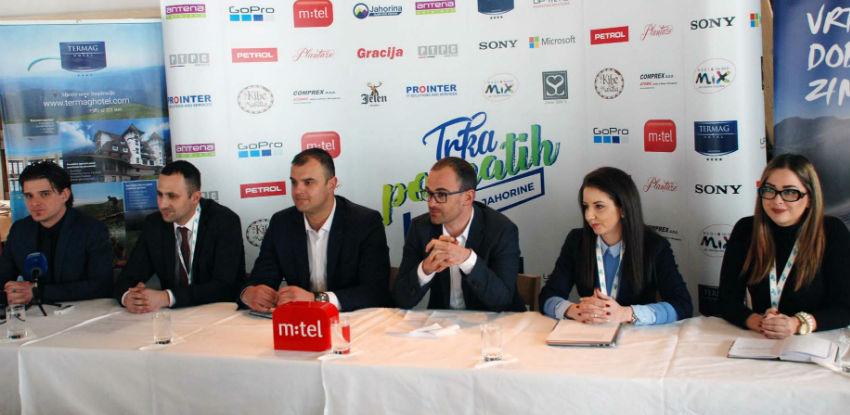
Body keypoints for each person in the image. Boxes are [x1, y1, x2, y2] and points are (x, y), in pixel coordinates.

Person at [241, 148, 390, 312]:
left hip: (351, 319)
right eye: (294, 182)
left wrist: (316, 299)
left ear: (331, 184)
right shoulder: (281, 223)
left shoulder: (364, 222)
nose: (297, 191)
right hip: (301, 321)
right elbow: (262, 278)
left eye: (308, 182)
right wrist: (249, 293)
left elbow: (375, 291)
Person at [718, 153, 850, 338]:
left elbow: (845, 308)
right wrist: (760, 322)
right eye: (769, 190)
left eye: (790, 192)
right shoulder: (746, 229)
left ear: (810, 198)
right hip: (761, 338)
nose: (777, 200)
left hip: (817, 340)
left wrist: (797, 324)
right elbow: (726, 302)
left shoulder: (832, 231)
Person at [539, 167, 692, 324]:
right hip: (591, 332)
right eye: (586, 206)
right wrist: (573, 310)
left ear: (623, 209)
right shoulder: (576, 241)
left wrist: (626, 313)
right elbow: (548, 296)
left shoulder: (655, 246)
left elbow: (682, 305)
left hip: (637, 335)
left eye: (599, 206)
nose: (589, 215)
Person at [393, 157, 524, 311]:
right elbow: (400, 300)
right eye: (429, 193)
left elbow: (503, 300)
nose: (431, 203)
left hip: (495, 322)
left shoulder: (501, 230)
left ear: (468, 198)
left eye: (441, 194)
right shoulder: (420, 228)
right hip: (443, 322)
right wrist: (424, 270)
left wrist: (467, 259)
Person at [114, 160, 245, 312]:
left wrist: (167, 297)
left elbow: (225, 286)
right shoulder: (154, 224)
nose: (162, 204)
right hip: (174, 317)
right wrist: (129, 297)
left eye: (172, 196)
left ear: (195, 198)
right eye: (160, 194)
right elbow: (127, 278)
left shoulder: (224, 222)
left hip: (216, 313)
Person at [0, 161, 112, 305]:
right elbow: (3, 277)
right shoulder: (20, 230)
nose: (35, 203)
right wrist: (11, 293)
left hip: (82, 312)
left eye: (44, 194)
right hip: (33, 314)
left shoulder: (92, 229)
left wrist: (37, 292)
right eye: (29, 196)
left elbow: (102, 285)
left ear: (64, 195)